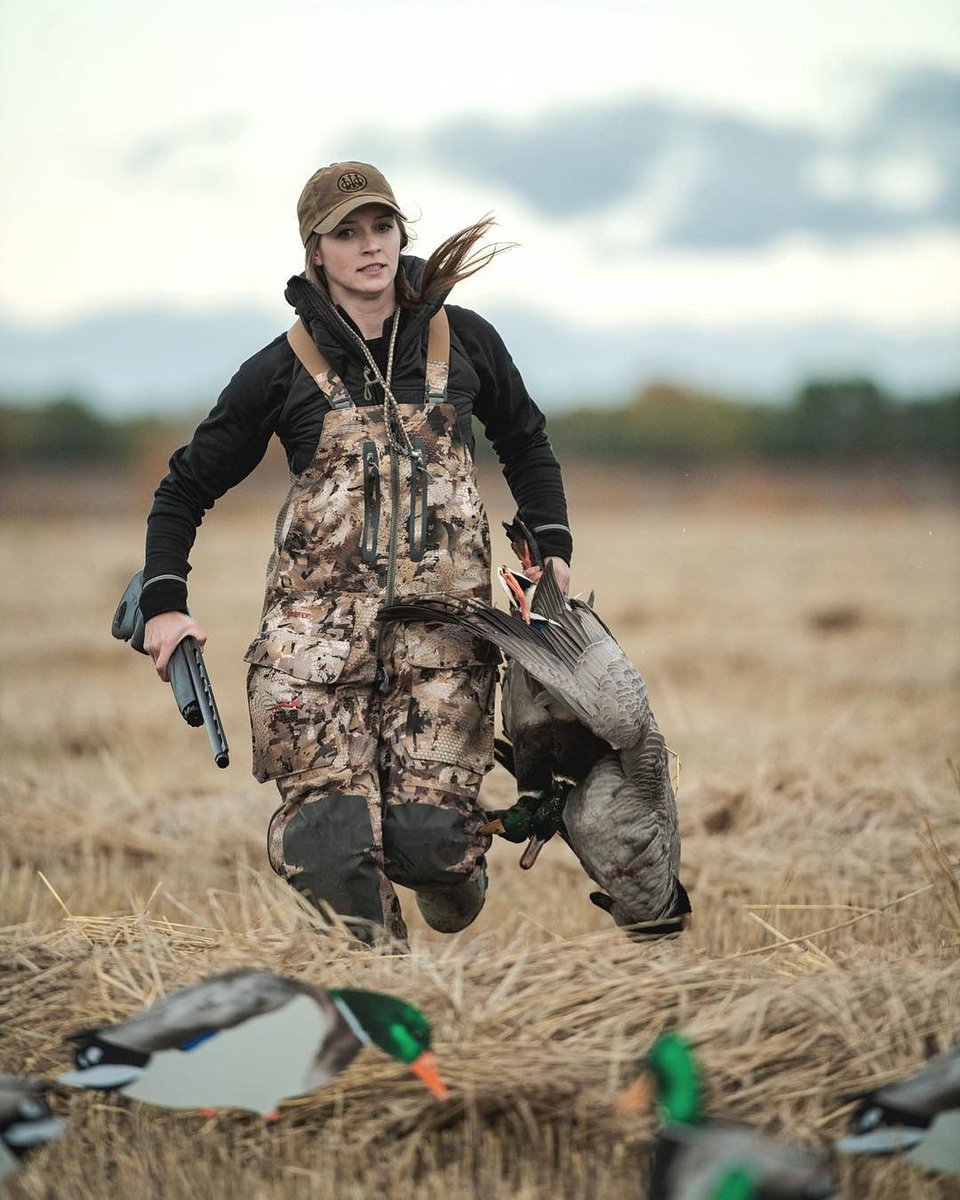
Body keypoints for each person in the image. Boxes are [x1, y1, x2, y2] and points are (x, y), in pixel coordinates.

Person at [139, 161, 573, 946]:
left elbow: (526, 441)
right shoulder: (279, 368)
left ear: (401, 232)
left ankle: (456, 873)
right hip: (313, 654)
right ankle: (392, 1025)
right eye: (348, 233)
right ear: (317, 251)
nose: (370, 246)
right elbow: (184, 488)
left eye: (382, 226)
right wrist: (164, 603)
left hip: (445, 646)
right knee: (334, 851)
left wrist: (551, 545)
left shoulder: (463, 337)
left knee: (430, 848)